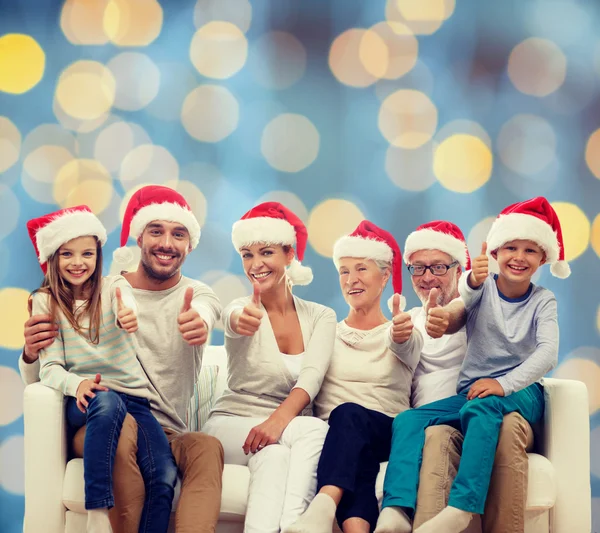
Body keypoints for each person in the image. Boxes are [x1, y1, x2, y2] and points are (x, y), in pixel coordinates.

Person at [20, 186, 225, 533]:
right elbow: (43, 376)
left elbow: (207, 310)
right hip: (101, 419)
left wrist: (200, 322)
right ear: (138, 236)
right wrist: (29, 353)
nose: (167, 243)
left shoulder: (196, 295)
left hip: (163, 426)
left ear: (189, 245)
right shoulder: (104, 289)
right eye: (156, 231)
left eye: (179, 234)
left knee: (206, 447)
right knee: (122, 425)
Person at [375, 198, 567, 533]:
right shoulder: (480, 288)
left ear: (543, 259)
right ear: (494, 253)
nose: (519, 257)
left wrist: (503, 384)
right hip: (475, 394)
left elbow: (548, 354)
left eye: (530, 250)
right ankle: (396, 509)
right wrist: (445, 313)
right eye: (510, 247)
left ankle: (462, 506)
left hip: (522, 392)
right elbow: (459, 306)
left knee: (483, 405)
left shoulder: (543, 300)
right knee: (408, 420)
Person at [26, 205, 177, 533]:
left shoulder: (114, 289)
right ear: (53, 258)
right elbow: (49, 368)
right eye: (67, 254)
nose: (78, 262)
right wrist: (77, 385)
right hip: (88, 399)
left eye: (87, 253)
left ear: (98, 256)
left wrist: (130, 315)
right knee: (106, 401)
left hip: (135, 401)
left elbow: (128, 305)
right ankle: (97, 512)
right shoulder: (44, 301)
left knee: (163, 475)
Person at [202, 202, 337, 533]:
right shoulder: (241, 307)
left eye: (266, 252)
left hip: (277, 434)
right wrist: (238, 321)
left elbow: (312, 377)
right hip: (231, 426)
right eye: (247, 255)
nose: (256, 264)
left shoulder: (321, 316)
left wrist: (275, 424)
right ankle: (297, 526)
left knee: (275, 458)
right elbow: (231, 320)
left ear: (289, 255)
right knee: (315, 429)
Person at [283, 220, 422, 533]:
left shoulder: (402, 330)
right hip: (338, 438)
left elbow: (408, 347)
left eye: (362, 269)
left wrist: (400, 333)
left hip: (387, 432)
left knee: (347, 414)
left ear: (385, 275)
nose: (351, 279)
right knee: (353, 445)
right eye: (344, 271)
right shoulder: (325, 332)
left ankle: (323, 505)